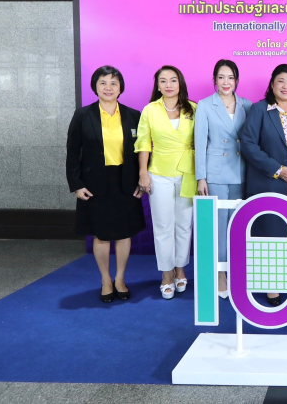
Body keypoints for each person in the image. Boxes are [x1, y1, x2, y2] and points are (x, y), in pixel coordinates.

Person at [66, 66, 146, 303]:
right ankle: (105, 280)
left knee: (124, 234)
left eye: (113, 83)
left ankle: (120, 279)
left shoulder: (133, 115)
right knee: (101, 235)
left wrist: (141, 180)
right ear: (95, 86)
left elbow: (142, 150)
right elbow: (73, 152)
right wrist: (76, 184)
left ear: (120, 88)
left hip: (126, 182)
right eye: (103, 82)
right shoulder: (83, 115)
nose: (108, 88)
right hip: (95, 184)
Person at [242, 64, 287, 306]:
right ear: (272, 84)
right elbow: (248, 144)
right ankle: (271, 287)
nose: (286, 86)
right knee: (270, 238)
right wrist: (279, 170)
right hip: (268, 185)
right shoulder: (260, 109)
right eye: (281, 81)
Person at [135, 65, 197, 300]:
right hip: (159, 173)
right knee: (163, 226)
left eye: (173, 80)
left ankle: (180, 269)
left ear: (180, 83)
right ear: (158, 85)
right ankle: (167, 274)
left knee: (184, 225)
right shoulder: (150, 110)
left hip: (188, 173)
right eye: (163, 81)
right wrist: (143, 173)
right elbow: (143, 143)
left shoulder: (193, 108)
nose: (168, 85)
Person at [194, 59, 252, 298]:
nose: (226, 82)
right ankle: (219, 273)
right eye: (221, 77)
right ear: (215, 80)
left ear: (236, 80)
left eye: (230, 77)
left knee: (237, 223)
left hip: (241, 170)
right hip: (216, 172)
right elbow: (200, 143)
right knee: (218, 225)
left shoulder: (247, 105)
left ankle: (235, 269)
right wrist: (201, 177)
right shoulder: (205, 105)